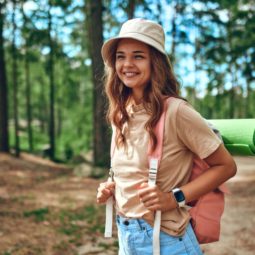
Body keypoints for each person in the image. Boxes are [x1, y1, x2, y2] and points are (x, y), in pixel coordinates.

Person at [96, 18, 237, 255]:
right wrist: (112, 187)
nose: (127, 64)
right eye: (121, 56)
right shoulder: (121, 112)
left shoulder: (176, 112)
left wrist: (175, 198)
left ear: (155, 62)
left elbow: (226, 166)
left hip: (167, 241)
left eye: (138, 56)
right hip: (126, 237)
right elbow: (133, 170)